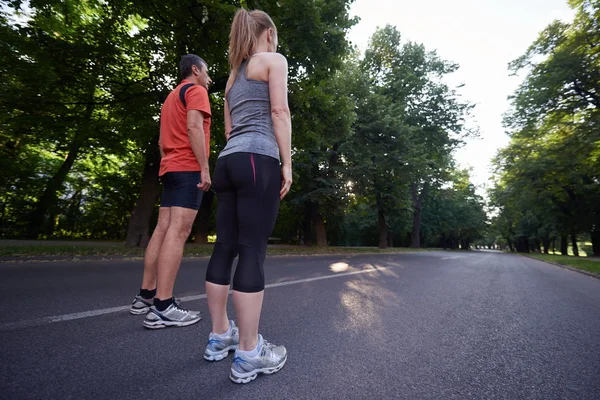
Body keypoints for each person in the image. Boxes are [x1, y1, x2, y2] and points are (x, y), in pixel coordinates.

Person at [202, 8, 292, 384]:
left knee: (224, 247)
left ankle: (221, 335)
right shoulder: (273, 60)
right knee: (252, 250)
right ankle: (250, 353)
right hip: (259, 159)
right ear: (268, 33)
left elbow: (227, 129)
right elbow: (278, 111)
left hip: (228, 162)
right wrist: (286, 163)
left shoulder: (230, 79)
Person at [129, 54, 213, 329]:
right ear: (194, 70)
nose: (209, 78)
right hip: (188, 167)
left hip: (170, 167)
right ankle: (164, 306)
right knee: (177, 231)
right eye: (207, 72)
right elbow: (193, 127)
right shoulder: (196, 90)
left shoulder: (170, 97)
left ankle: (146, 295)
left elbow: (162, 139)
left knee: (163, 228)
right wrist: (204, 167)